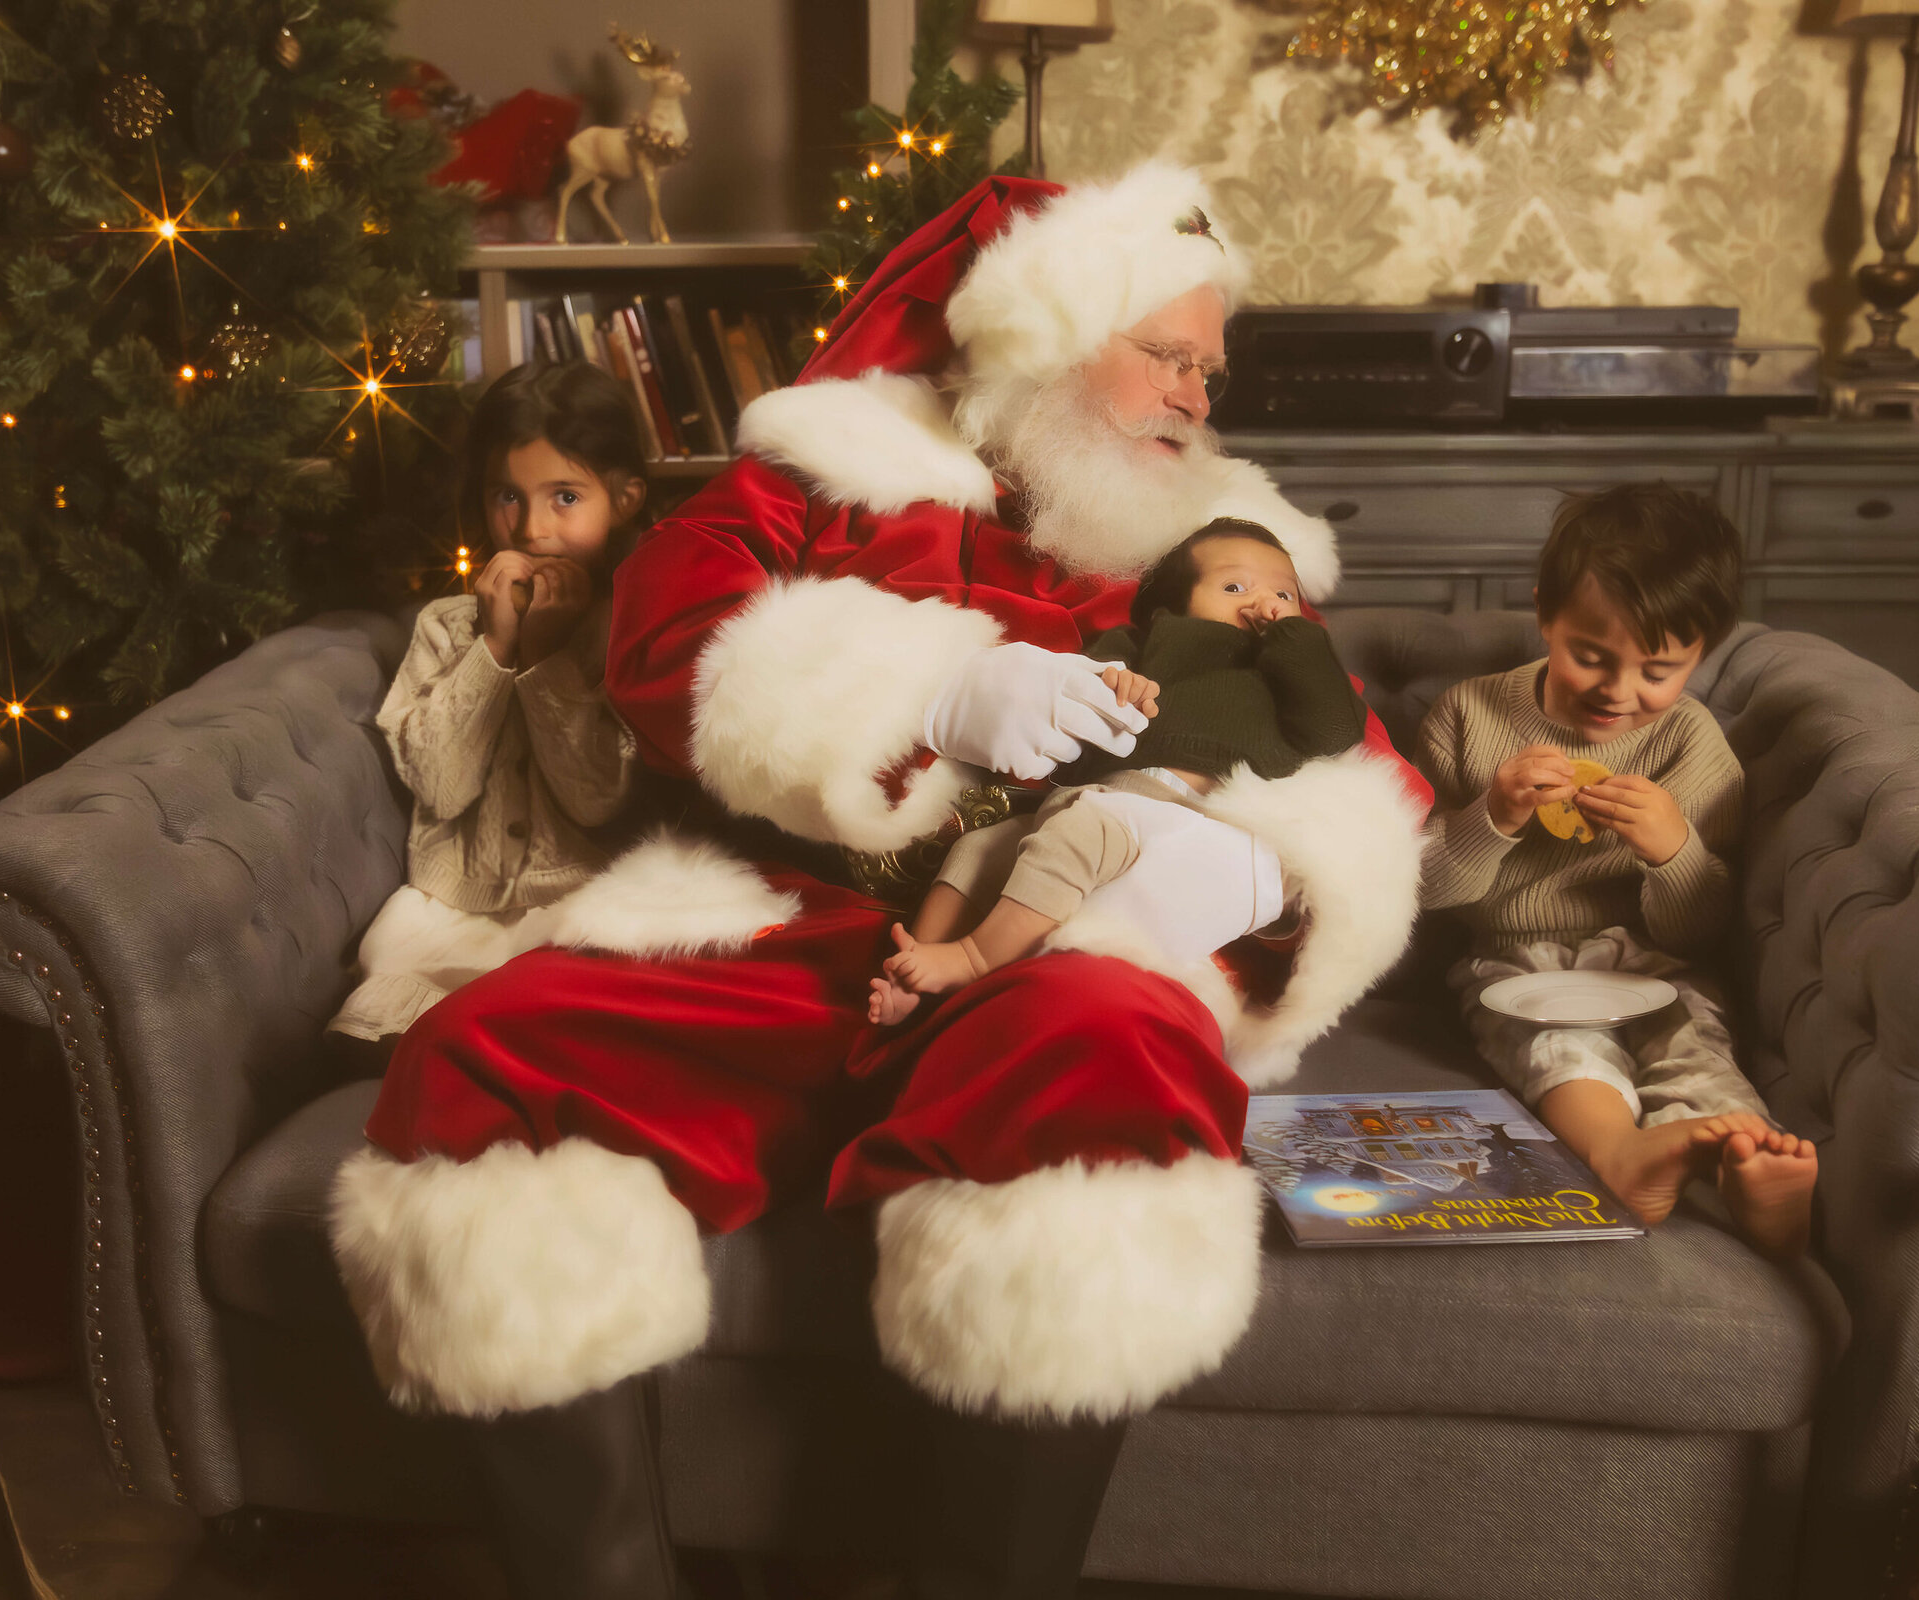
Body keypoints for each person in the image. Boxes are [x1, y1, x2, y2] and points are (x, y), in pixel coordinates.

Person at [329, 165, 1430, 1600]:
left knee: (1109, 1060)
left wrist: (1240, 866)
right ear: (1045, 335)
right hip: (794, 916)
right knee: (486, 1057)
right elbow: (667, 644)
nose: (1194, 396)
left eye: (1207, 369)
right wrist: (938, 692)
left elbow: (1356, 775)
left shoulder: (1219, 544)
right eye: (1166, 354)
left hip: (1048, 938)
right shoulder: (819, 473)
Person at [1413, 483, 1817, 1259]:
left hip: (1655, 959)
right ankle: (1617, 1154)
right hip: (1513, 958)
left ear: (1701, 655)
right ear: (1545, 616)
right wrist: (1491, 817)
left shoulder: (1691, 745)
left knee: (1694, 1039)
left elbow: (1702, 928)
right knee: (1562, 1046)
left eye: (1659, 670)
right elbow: (1424, 892)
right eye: (1589, 656)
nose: (1618, 692)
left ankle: (1747, 1170)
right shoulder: (1470, 717)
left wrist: (1674, 851)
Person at [870, 517, 1367, 1025]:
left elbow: (1336, 732)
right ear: (1171, 608)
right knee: (980, 848)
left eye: (1285, 595)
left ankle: (974, 958)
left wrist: (1299, 642)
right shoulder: (1145, 644)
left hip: (1199, 818)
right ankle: (913, 970)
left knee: (1083, 831)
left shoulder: (1286, 671)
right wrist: (1115, 687)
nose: (1264, 604)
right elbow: (1080, 719)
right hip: (1104, 793)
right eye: (1234, 586)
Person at [320, 360, 647, 1074]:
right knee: (396, 960)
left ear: (623, 499)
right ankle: (429, 1059)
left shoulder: (624, 629)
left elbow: (597, 797)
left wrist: (544, 658)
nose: (532, 528)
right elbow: (440, 784)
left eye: (565, 496)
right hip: (450, 907)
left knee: (596, 972)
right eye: (508, 496)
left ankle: (513, 1045)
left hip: (572, 900)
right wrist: (496, 648)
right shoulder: (446, 628)